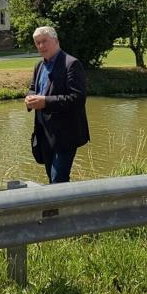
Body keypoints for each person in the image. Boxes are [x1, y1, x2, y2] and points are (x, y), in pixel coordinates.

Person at [25, 26, 89, 184]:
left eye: (44, 41)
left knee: (58, 180)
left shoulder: (71, 64)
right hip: (44, 134)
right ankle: (60, 208)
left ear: (56, 40)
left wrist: (45, 102)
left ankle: (57, 208)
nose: (41, 46)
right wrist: (29, 98)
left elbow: (77, 98)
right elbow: (33, 88)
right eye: (37, 43)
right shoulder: (39, 66)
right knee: (51, 179)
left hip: (65, 135)